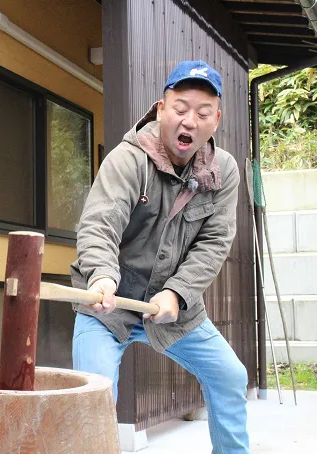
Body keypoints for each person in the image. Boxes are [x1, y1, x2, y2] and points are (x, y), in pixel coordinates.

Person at [71, 61, 250, 453]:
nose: (190, 121)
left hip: (174, 306)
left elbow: (215, 241)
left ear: (216, 120)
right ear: (160, 109)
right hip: (109, 304)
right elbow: (101, 222)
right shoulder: (128, 158)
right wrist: (101, 275)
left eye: (203, 113)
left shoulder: (223, 171)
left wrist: (177, 293)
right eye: (180, 108)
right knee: (92, 397)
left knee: (230, 377)